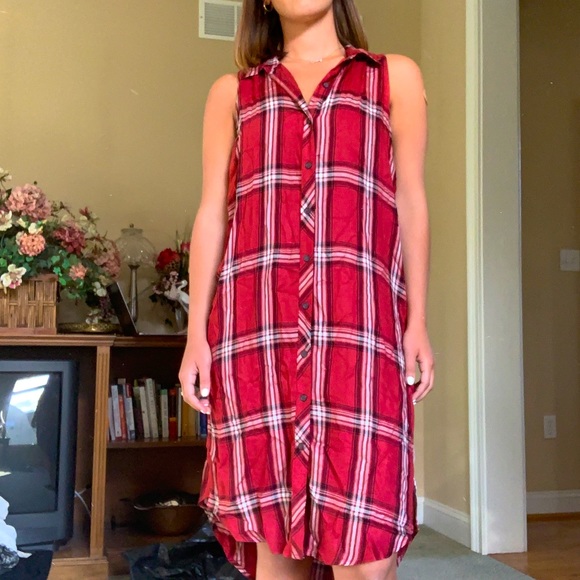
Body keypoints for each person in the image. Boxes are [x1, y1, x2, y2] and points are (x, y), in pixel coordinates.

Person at [179, 1, 434, 578]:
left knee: (367, 549)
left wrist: (417, 318)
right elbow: (212, 214)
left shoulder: (392, 78)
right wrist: (197, 336)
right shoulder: (234, 93)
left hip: (360, 333)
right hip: (256, 337)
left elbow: (411, 202)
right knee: (277, 546)